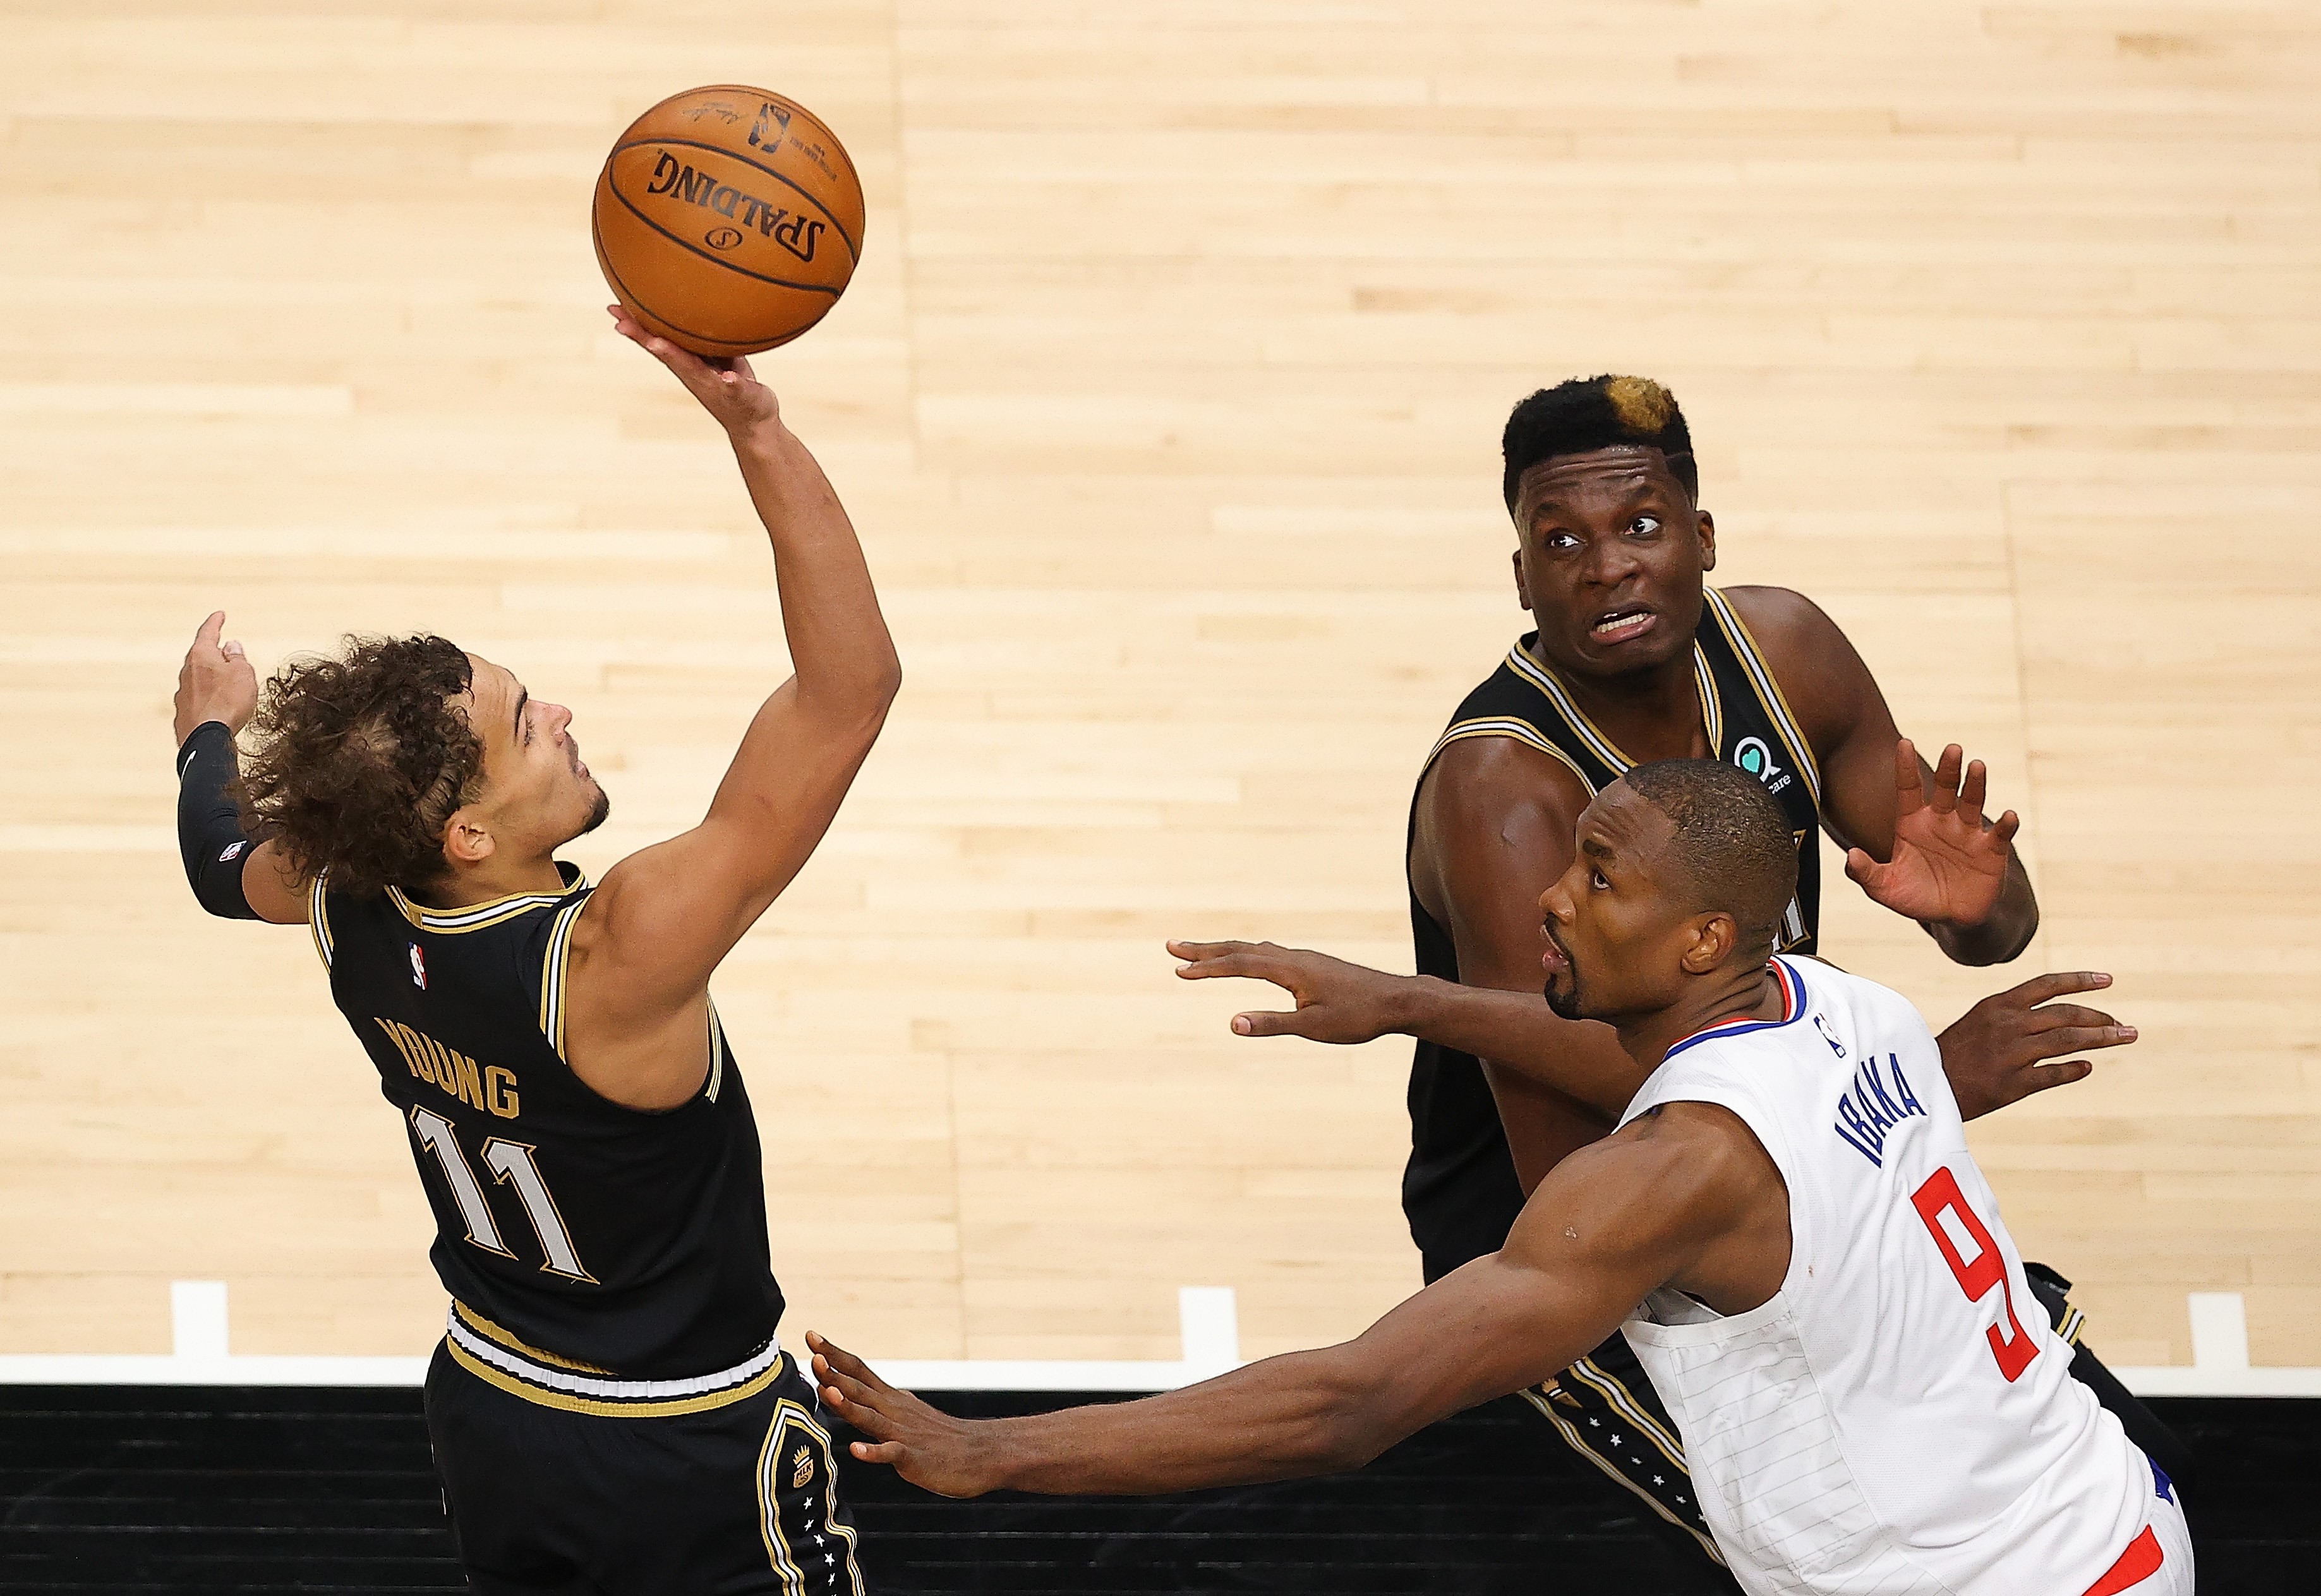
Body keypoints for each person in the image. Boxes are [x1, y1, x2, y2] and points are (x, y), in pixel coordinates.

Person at [1167, 374, 2181, 1566]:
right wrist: (1921, 1077)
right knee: (1819, 1519)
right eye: (1561, 542)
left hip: (1790, 1136)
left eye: (1640, 527)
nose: (1605, 568)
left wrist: (1982, 909)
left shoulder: (1788, 650)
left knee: (2069, 1433)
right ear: (1522, 578)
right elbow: (1588, 1112)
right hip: (1579, 1204)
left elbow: (1983, 927)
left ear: (1701, 538)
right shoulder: (1504, 791)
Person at [808, 761, 2191, 1596]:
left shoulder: (1663, 1176)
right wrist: (1406, 1000)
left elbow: (1353, 1404)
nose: (1550, 896)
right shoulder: (1843, 1004)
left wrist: (989, 1450)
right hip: (2105, 1519)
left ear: (1704, 931)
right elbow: (1646, 1067)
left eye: (1598, 879)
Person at [167, 308, 898, 1596]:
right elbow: (848, 693)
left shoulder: (342, 898)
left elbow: (223, 866)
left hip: (496, 1403)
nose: (560, 711)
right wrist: (757, 431)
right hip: (682, 1437)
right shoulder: (614, 957)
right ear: (466, 831)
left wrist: (208, 740)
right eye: (527, 724)